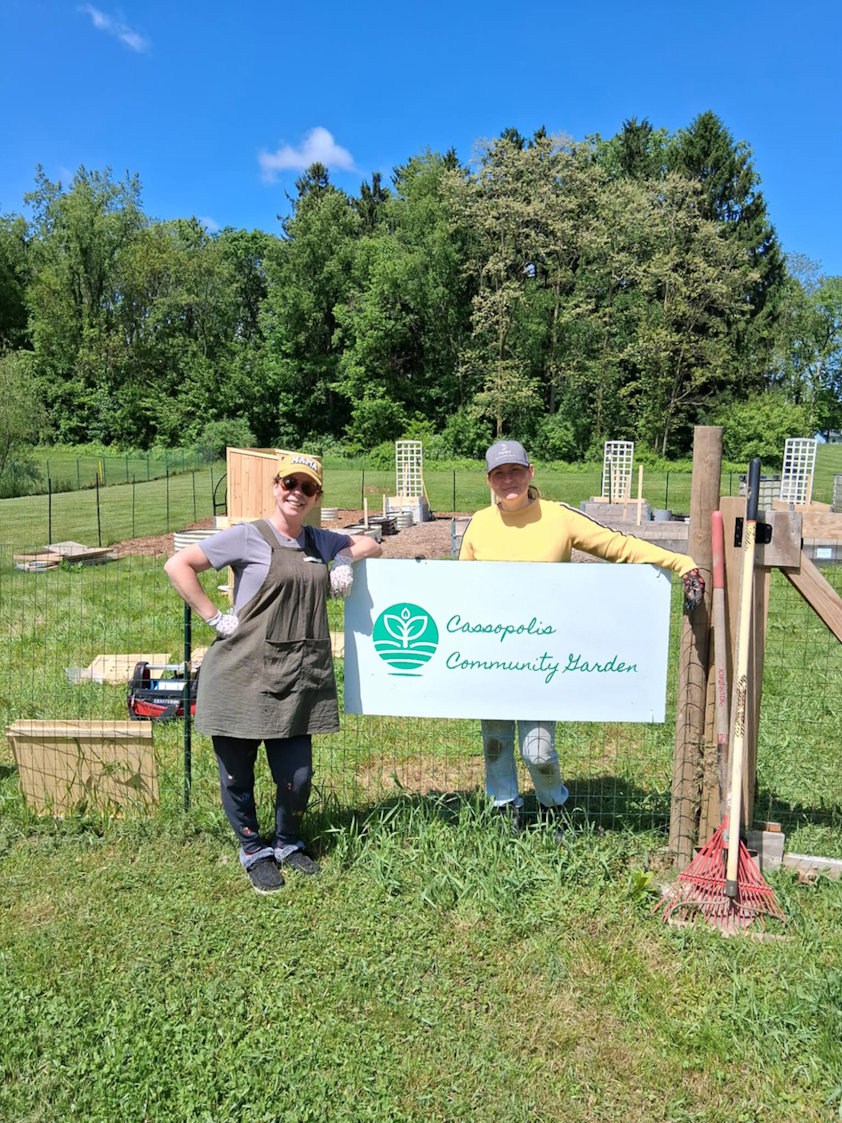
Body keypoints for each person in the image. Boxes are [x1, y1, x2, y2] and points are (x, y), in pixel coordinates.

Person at [459, 440, 705, 838]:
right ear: (488, 480)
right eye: (499, 473)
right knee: (496, 741)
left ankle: (554, 804)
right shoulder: (479, 524)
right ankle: (505, 808)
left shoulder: (558, 517)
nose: (509, 480)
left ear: (531, 472)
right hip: (493, 654)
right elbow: (458, 587)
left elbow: (618, 545)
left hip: (543, 656)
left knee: (537, 749)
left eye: (515, 470)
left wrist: (680, 562)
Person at [164, 453, 382, 894]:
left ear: (316, 496)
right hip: (240, 674)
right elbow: (178, 565)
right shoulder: (246, 537)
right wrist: (214, 618)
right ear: (276, 486)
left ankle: (286, 842)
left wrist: (342, 559)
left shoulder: (318, 541)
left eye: (307, 488)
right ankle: (252, 849)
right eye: (289, 484)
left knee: (297, 775)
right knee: (237, 774)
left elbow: (373, 543)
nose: (296, 494)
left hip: (297, 678)